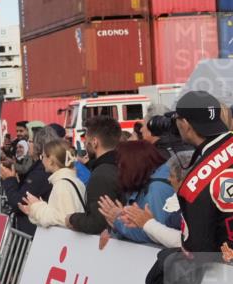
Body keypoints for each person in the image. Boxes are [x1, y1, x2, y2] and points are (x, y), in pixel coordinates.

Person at [173, 91, 233, 255]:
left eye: (176, 119)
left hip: (224, 273)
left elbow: (197, 253)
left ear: (185, 124)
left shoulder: (194, 185)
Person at [96, 140, 172, 244]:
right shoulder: (149, 183)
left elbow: (155, 235)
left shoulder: (156, 189)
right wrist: (124, 216)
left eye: (121, 165)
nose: (119, 170)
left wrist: (118, 222)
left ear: (132, 164)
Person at [67, 116, 123, 235]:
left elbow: (97, 223)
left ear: (95, 142)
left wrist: (72, 219)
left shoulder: (101, 175)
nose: (85, 143)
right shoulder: (122, 164)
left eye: (86, 139)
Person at [118, 154, 188, 249]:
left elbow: (184, 241)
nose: (168, 179)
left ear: (184, 179)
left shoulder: (156, 189)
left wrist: (148, 223)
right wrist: (145, 223)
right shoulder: (180, 200)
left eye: (172, 175)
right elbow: (164, 237)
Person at [0, 126, 57, 235]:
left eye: (30, 141)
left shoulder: (41, 172)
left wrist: (8, 179)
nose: (28, 144)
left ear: (38, 145)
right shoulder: (38, 168)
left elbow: (19, 202)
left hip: (34, 233)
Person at [18, 138, 86, 228]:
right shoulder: (74, 181)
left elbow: (64, 220)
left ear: (50, 161)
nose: (41, 160)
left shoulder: (62, 185)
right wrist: (33, 212)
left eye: (43, 156)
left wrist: (37, 207)